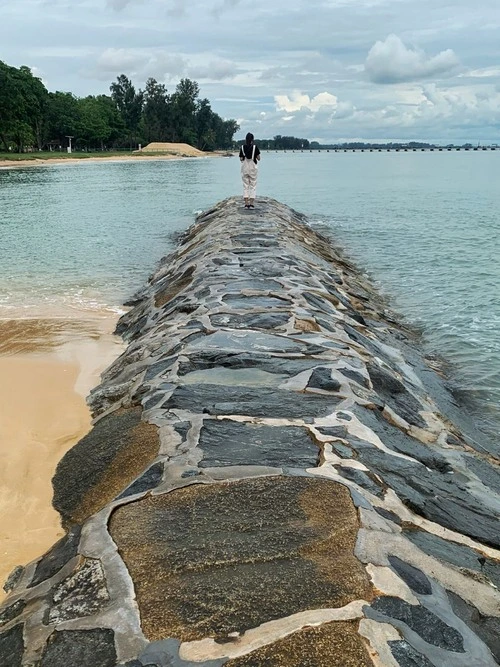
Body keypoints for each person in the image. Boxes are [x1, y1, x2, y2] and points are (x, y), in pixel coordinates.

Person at [239, 132, 260, 208]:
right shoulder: (255, 147)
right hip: (253, 168)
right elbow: (258, 158)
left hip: (245, 168)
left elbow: (241, 158)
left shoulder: (242, 147)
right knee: (253, 184)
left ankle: (246, 203)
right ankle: (251, 203)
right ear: (252, 139)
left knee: (245, 185)